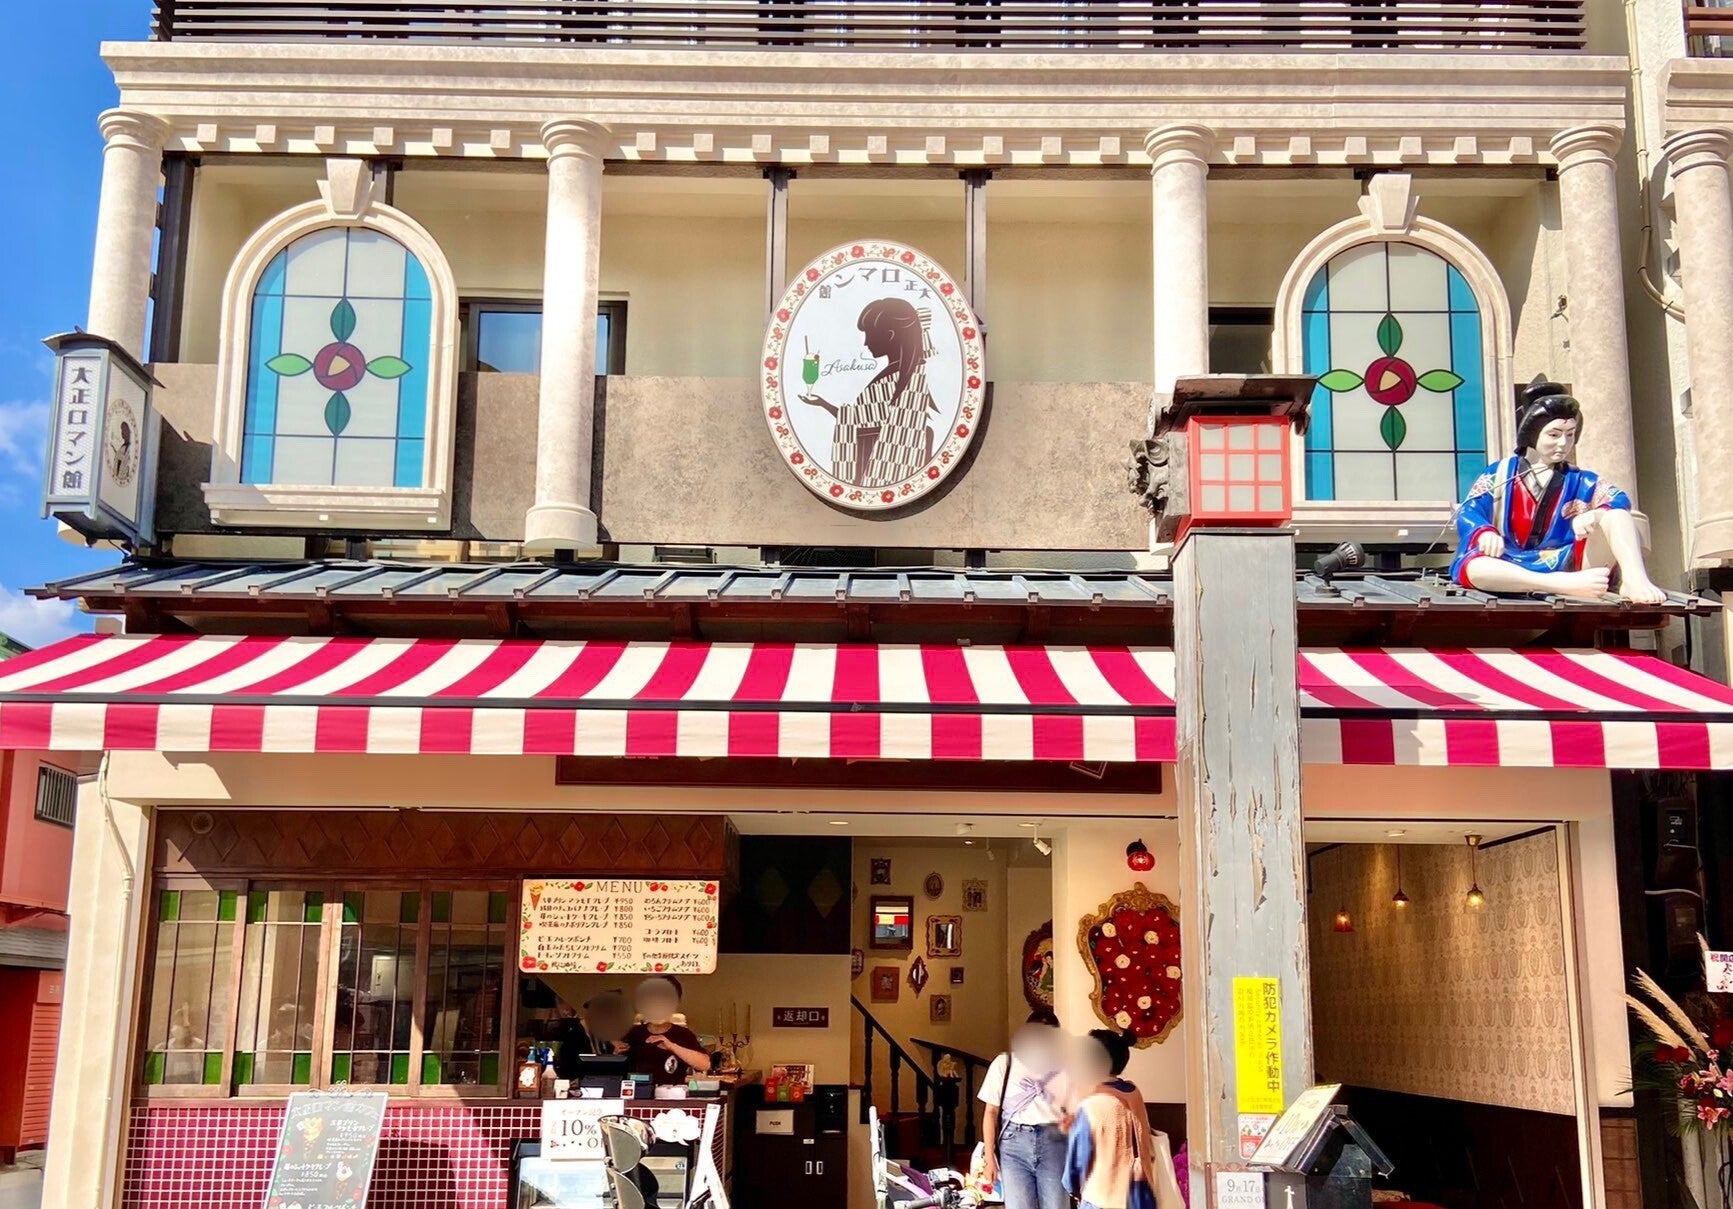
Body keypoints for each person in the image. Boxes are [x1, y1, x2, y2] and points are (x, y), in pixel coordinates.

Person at [1451, 381, 1666, 604]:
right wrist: (1484, 532)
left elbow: (1619, 499)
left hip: (1564, 558)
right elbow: (1470, 509)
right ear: (1532, 434)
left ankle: (1635, 579)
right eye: (1554, 435)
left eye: (1570, 435)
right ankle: (1557, 584)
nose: (1564, 443)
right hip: (1510, 559)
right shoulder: (1501, 473)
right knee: (1477, 568)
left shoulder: (1580, 479)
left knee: (1618, 515)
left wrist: (1597, 514)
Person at [798, 298, 938, 486]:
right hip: (878, 460)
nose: (866, 343)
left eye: (869, 334)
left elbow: (860, 419)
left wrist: (824, 405)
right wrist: (822, 403)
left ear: (889, 335)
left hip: (878, 465)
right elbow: (861, 417)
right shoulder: (904, 374)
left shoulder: (900, 378)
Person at [1063, 1029, 1184, 1209]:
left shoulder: (1091, 1104)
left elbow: (1077, 1161)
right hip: (1140, 1193)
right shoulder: (1133, 1093)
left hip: (1101, 1196)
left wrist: (1072, 1187)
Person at [979, 1009, 1071, 1209]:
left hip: (1054, 1141)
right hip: (1014, 1142)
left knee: (1056, 1205)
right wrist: (989, 1157)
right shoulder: (1005, 1063)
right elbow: (991, 1112)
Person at [619, 976, 710, 1085]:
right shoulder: (633, 1034)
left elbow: (705, 1064)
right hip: (638, 1093)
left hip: (672, 1093)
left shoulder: (683, 1035)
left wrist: (671, 1046)